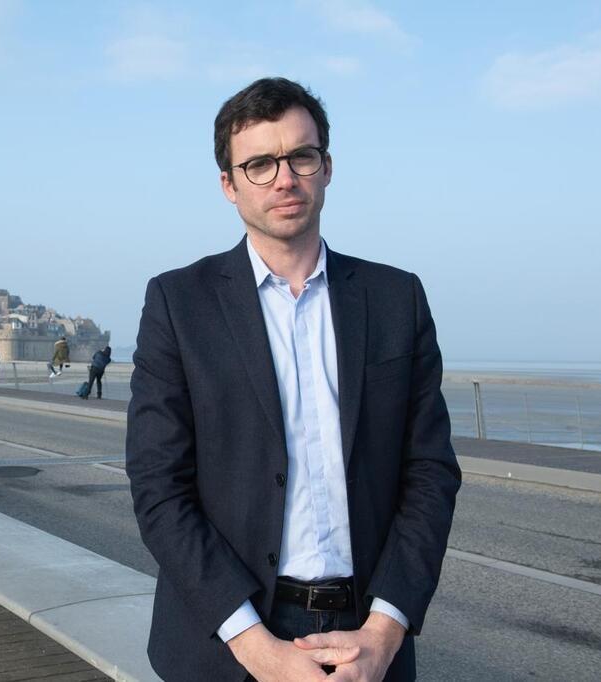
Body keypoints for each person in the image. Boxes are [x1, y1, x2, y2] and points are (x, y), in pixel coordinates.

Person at [125, 78, 461, 681]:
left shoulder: (396, 299)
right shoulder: (179, 303)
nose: (284, 178)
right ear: (229, 185)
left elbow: (431, 473)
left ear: (326, 167)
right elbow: (159, 489)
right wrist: (260, 651)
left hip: (367, 640)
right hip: (226, 645)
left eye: (300, 156)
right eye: (258, 164)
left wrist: (384, 634)